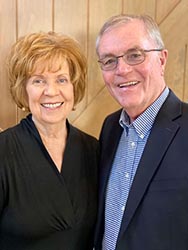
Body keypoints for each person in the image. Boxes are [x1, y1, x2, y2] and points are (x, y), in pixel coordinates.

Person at [94, 14, 188, 250]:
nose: (122, 70)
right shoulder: (110, 128)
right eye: (109, 61)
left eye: (135, 55)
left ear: (162, 60)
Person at [0, 31, 99, 250]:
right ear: (23, 89)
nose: (51, 91)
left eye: (61, 80)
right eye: (38, 81)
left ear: (74, 86)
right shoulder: (3, 151)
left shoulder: (94, 150)